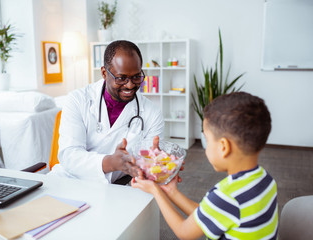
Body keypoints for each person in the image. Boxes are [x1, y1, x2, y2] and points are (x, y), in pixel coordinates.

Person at [132, 92, 278, 239]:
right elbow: (210, 215)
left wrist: (156, 192)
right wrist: (171, 192)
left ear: (223, 147)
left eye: (207, 140)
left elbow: (184, 232)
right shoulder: (266, 180)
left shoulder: (226, 195)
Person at [50, 40, 164, 184]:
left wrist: (158, 165)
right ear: (104, 73)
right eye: (121, 78)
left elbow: (150, 161)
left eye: (136, 77)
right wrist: (110, 163)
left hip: (114, 189)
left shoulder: (151, 113)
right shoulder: (77, 100)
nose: (130, 85)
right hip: (67, 181)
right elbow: (69, 155)